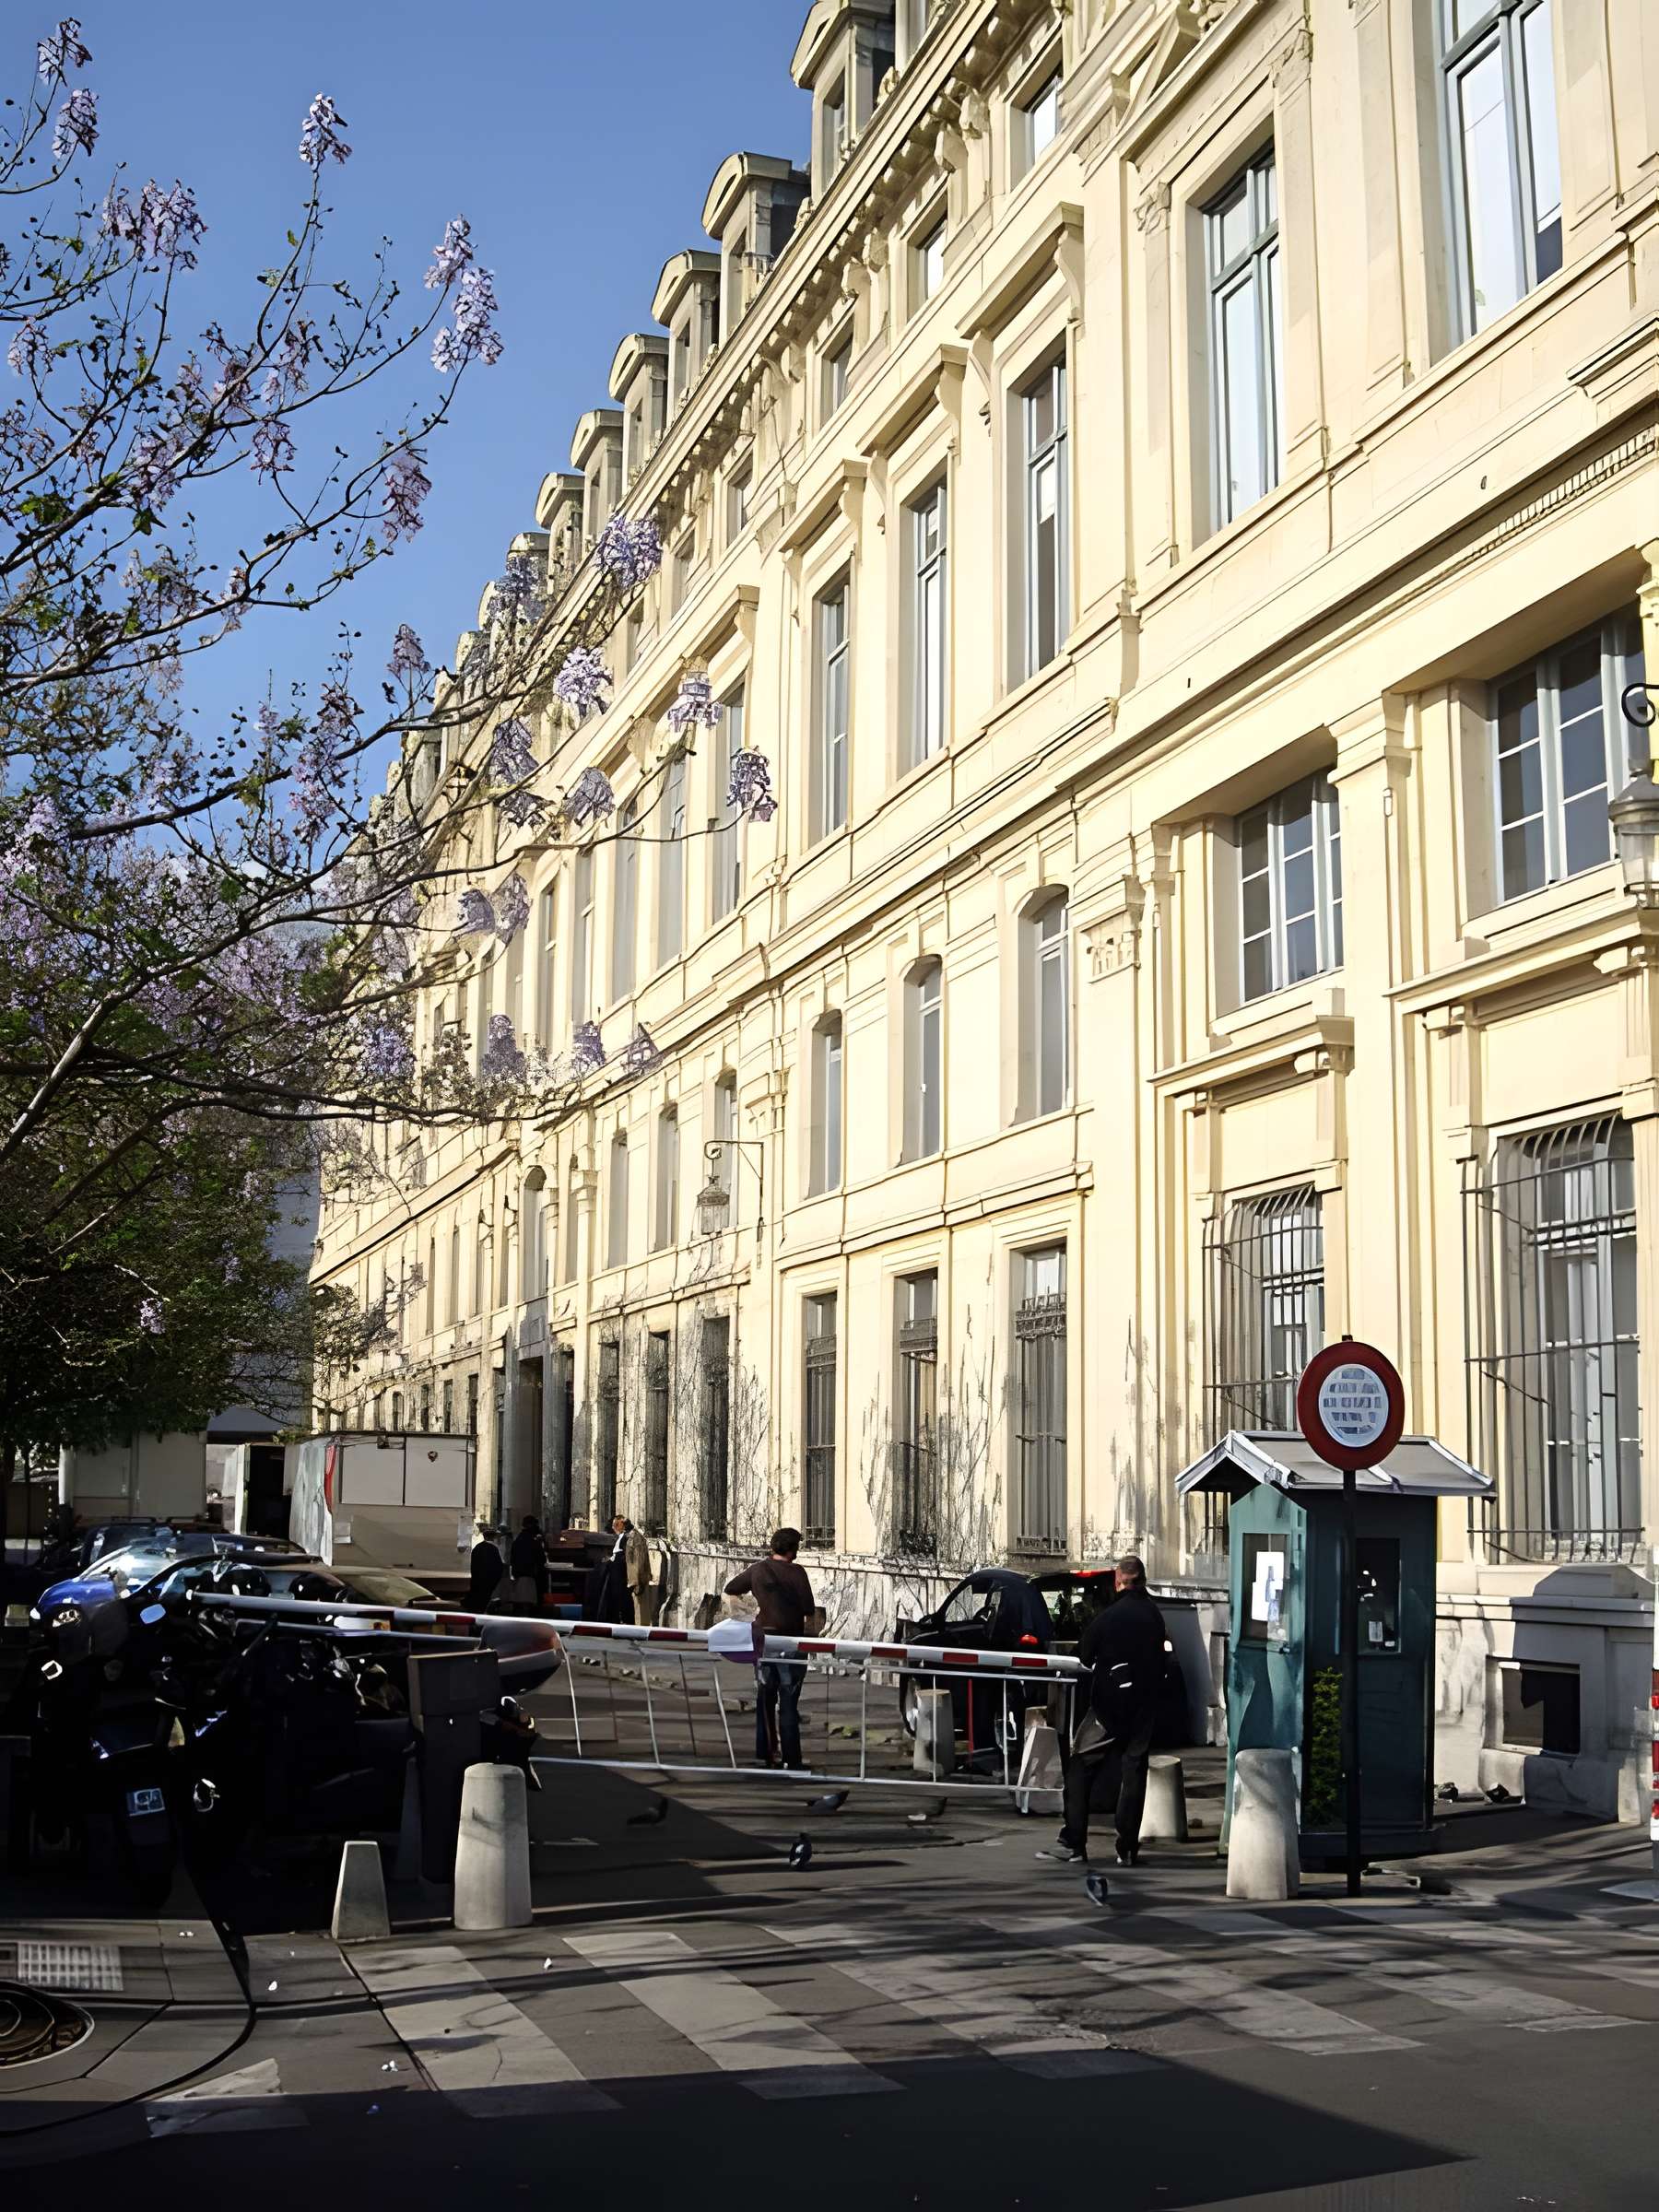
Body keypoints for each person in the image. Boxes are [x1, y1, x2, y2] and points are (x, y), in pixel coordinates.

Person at [1038, 1554, 1166, 1867]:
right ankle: (1127, 1848)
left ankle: (1074, 1842)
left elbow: (1085, 1652)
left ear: (1118, 1581)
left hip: (1108, 1708)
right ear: (1144, 1580)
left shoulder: (1109, 1617)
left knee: (1081, 1765)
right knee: (1134, 1772)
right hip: (1144, 1706)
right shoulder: (1155, 1616)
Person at [725, 1528, 818, 1770]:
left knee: (765, 1696)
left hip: (764, 1642)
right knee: (788, 1700)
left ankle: (766, 1752)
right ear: (791, 1549)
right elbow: (809, 1607)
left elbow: (731, 1588)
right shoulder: (797, 1573)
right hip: (792, 1643)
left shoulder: (758, 1570)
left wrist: (749, 1615)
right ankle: (791, 1758)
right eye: (797, 1546)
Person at [509, 1514, 548, 1610]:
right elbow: (542, 1560)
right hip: (533, 1576)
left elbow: (512, 1559)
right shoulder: (533, 1541)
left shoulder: (518, 1540)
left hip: (519, 1575)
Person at [468, 1524, 505, 1613]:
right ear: (494, 1538)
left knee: (478, 1606)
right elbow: (499, 1568)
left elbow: (473, 1567)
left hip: (477, 1582)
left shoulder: (477, 1548)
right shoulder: (494, 1549)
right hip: (490, 1584)